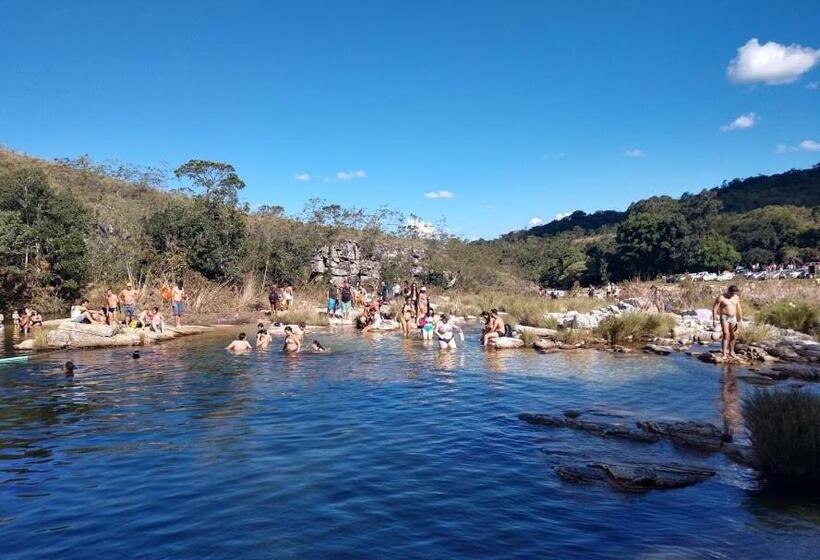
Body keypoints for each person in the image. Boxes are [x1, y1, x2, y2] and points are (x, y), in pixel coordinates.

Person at [713, 285, 743, 359]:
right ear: (728, 291)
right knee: (726, 334)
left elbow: (738, 308)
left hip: (733, 318)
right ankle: (724, 353)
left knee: (733, 335)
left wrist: (740, 319)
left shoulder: (736, 297)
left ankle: (731, 352)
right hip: (724, 317)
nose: (733, 295)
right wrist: (714, 320)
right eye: (732, 293)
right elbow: (715, 309)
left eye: (734, 293)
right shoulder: (721, 298)